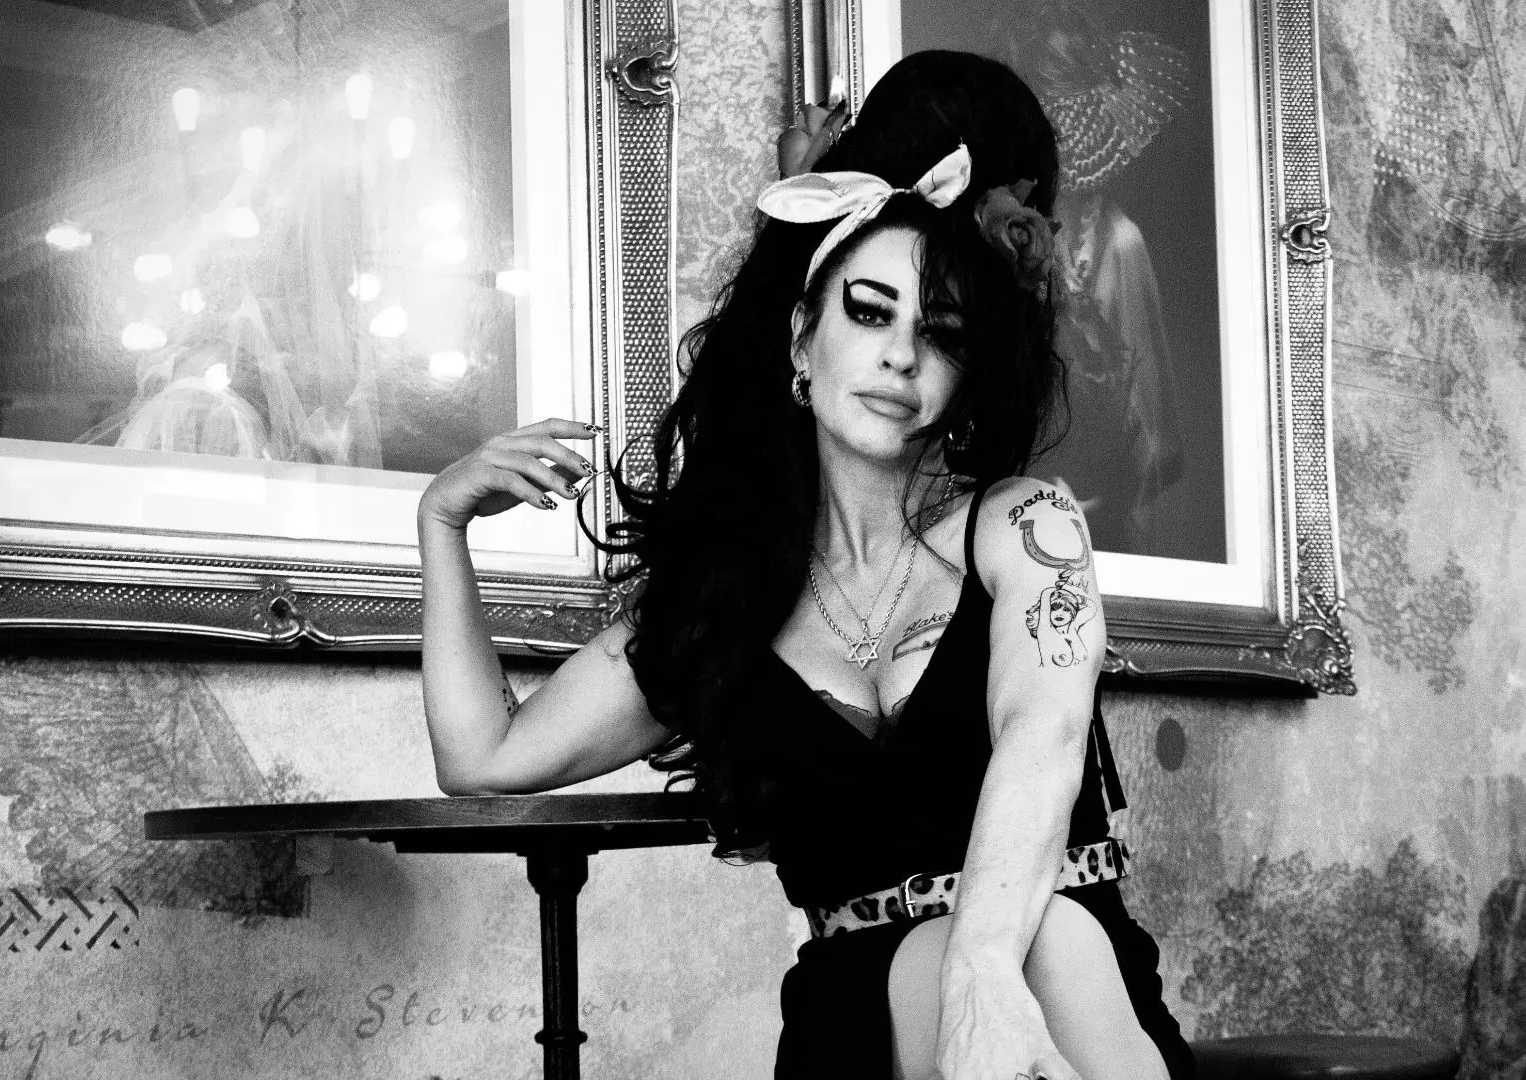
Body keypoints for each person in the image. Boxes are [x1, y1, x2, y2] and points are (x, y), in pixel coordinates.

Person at [418, 51, 1195, 1080]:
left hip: (1058, 994)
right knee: (1024, 950)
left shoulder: (1024, 525)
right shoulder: (725, 604)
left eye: (941, 332)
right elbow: (483, 757)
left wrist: (980, 977)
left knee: (1052, 939)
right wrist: (442, 524)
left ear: (966, 377)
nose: (900, 355)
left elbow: (1041, 735)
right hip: (861, 1022)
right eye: (869, 312)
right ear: (800, 339)